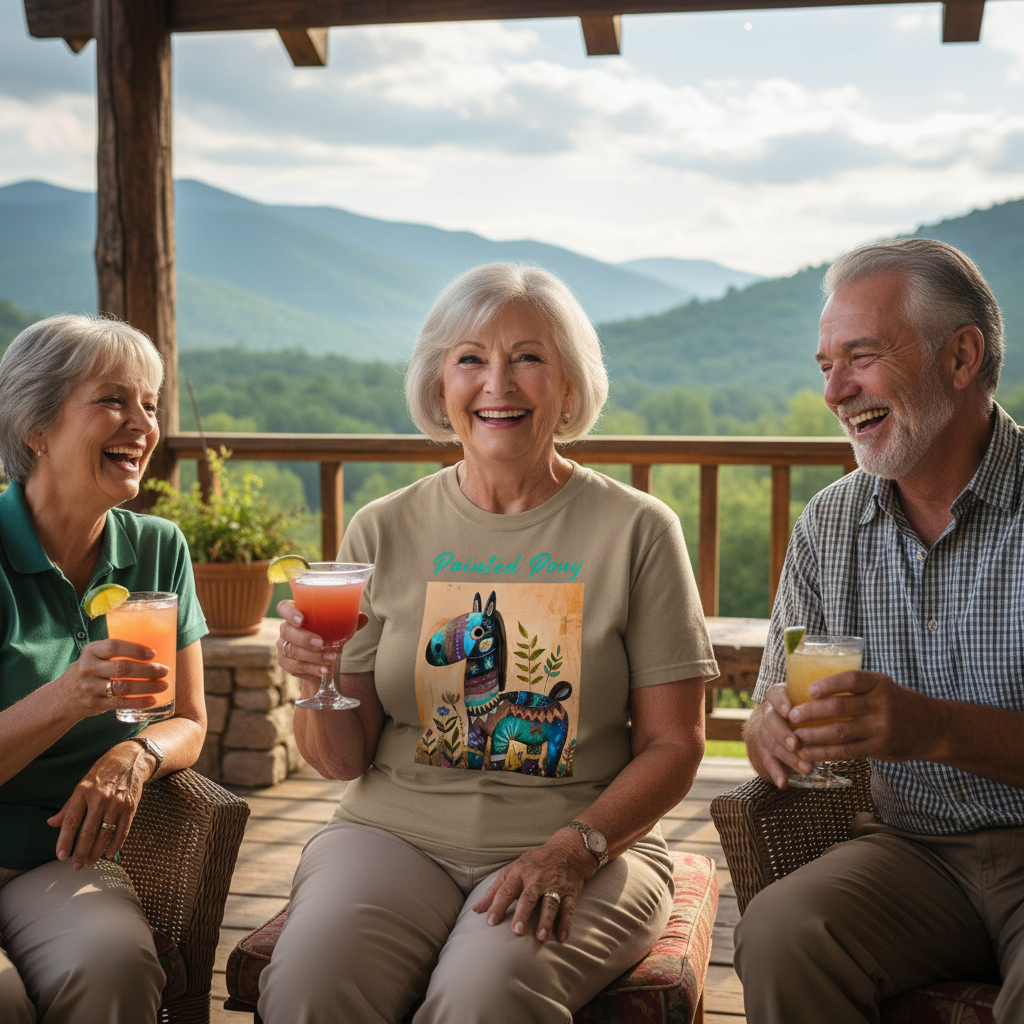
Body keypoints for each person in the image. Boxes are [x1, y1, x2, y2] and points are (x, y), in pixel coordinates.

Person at [263, 262, 718, 1023]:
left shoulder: (638, 529)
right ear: (440, 384)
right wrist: (318, 677)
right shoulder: (382, 527)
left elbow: (678, 746)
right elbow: (341, 760)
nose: (497, 384)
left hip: (585, 841)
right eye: (470, 358)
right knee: (311, 986)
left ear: (570, 386)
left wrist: (574, 849)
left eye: (528, 358)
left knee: (486, 998)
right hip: (392, 835)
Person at [735, 238, 1024, 1023]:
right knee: (778, 933)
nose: (835, 391)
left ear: (962, 357)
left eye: (860, 356)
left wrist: (930, 728)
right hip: (913, 851)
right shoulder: (832, 523)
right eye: (825, 365)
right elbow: (772, 712)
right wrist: (775, 732)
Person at [0, 315, 208, 1024]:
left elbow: (189, 720)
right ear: (37, 426)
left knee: (115, 965)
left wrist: (138, 751)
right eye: (115, 400)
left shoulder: (157, 546)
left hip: (60, 862)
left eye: (149, 404)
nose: (142, 424)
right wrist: (66, 698)